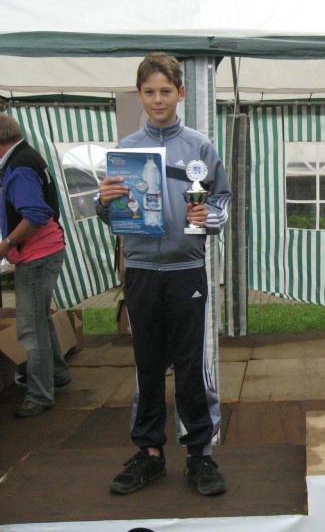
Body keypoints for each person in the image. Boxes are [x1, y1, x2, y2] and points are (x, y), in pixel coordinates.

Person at [96, 53, 231, 496]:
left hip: (186, 269)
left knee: (191, 366)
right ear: (139, 95)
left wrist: (208, 217)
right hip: (140, 270)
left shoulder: (200, 147)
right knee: (148, 364)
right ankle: (149, 453)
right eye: (150, 92)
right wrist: (104, 203)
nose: (158, 100)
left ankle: (200, 455)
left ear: (181, 93)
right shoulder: (125, 149)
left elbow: (222, 201)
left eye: (166, 91)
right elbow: (113, 212)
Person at [0, 113, 69, 418]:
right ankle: (57, 373)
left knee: (30, 327)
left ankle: (39, 394)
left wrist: (6, 244)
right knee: (39, 317)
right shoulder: (27, 155)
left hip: (37, 254)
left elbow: (36, 213)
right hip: (47, 249)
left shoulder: (18, 167)